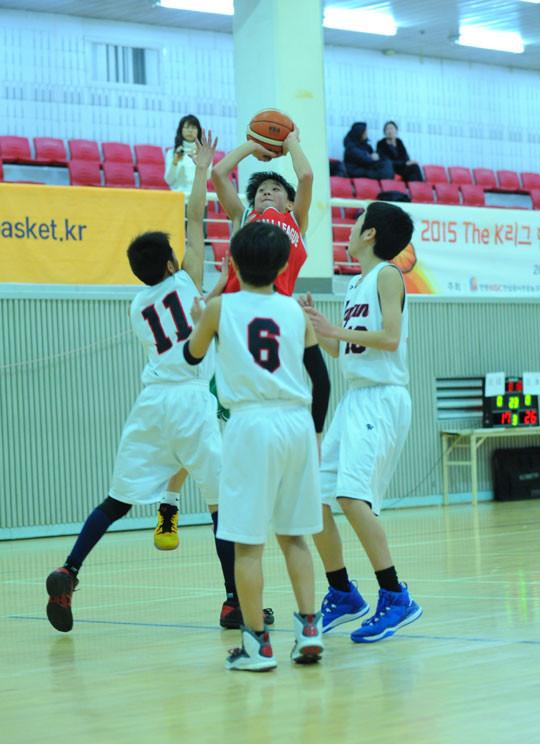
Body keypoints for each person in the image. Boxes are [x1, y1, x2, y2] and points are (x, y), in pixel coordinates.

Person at [45, 132, 225, 633]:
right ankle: (234, 600)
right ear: (170, 264)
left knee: (116, 500)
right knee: (221, 506)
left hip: (151, 402)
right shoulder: (186, 280)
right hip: (191, 399)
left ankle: (70, 569)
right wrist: (203, 170)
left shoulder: (136, 305)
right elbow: (195, 219)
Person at [184, 220, 331, 671]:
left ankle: (257, 645)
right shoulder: (295, 312)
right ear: (285, 266)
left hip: (250, 424)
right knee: (295, 536)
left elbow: (192, 355)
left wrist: (201, 320)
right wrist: (316, 435)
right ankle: (309, 631)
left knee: (247, 544)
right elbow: (321, 381)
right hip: (296, 423)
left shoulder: (220, 308)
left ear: (231, 262)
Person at [301, 201, 423, 644]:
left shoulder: (388, 275)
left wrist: (336, 331)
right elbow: (344, 351)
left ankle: (395, 596)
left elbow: (389, 338)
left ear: (370, 233)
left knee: (352, 497)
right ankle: (342, 593)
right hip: (355, 399)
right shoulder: (355, 283)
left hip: (382, 398)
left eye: (356, 223)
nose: (349, 229)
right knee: (314, 499)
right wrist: (319, 327)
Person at [208, 128, 313, 298]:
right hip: (235, 303)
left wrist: (291, 141)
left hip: (276, 306)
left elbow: (306, 176)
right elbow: (218, 173)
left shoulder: (296, 220)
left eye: (275, 189)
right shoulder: (243, 217)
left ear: (290, 204)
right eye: (261, 190)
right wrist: (253, 145)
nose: (266, 192)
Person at [164, 114, 202, 194]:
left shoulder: (203, 153)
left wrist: (202, 162)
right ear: (181, 130)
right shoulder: (172, 153)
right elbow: (169, 180)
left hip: (198, 195)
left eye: (193, 128)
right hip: (178, 196)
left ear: (198, 131)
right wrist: (174, 162)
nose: (190, 130)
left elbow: (208, 177)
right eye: (187, 127)